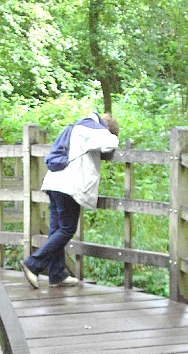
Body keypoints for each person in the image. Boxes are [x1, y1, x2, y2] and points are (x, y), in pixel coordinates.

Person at [20, 111, 120, 288]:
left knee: (56, 229)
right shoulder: (92, 128)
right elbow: (110, 142)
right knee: (67, 229)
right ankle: (32, 264)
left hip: (54, 182)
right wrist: (112, 138)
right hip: (69, 185)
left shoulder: (76, 127)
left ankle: (56, 274)